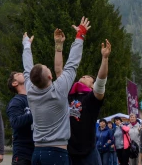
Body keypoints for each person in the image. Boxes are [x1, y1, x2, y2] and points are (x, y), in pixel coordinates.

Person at [20, 17, 90, 164]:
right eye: (47, 67)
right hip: (57, 153)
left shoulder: (30, 91)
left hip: (37, 152)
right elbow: (72, 64)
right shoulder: (58, 91)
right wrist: (80, 35)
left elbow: (27, 69)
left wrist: (27, 45)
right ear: (50, 76)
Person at [7, 30, 69, 165]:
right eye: (18, 74)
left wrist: (27, 46)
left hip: (36, 149)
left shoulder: (34, 94)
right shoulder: (16, 102)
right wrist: (35, 114)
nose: (22, 73)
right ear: (14, 83)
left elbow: (28, 67)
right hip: (23, 153)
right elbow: (15, 123)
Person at [68, 37, 111, 165]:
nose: (84, 76)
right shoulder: (69, 96)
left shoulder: (92, 99)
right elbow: (60, 71)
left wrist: (105, 58)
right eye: (83, 75)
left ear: (93, 86)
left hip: (88, 152)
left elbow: (101, 79)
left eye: (88, 77)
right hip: (69, 151)